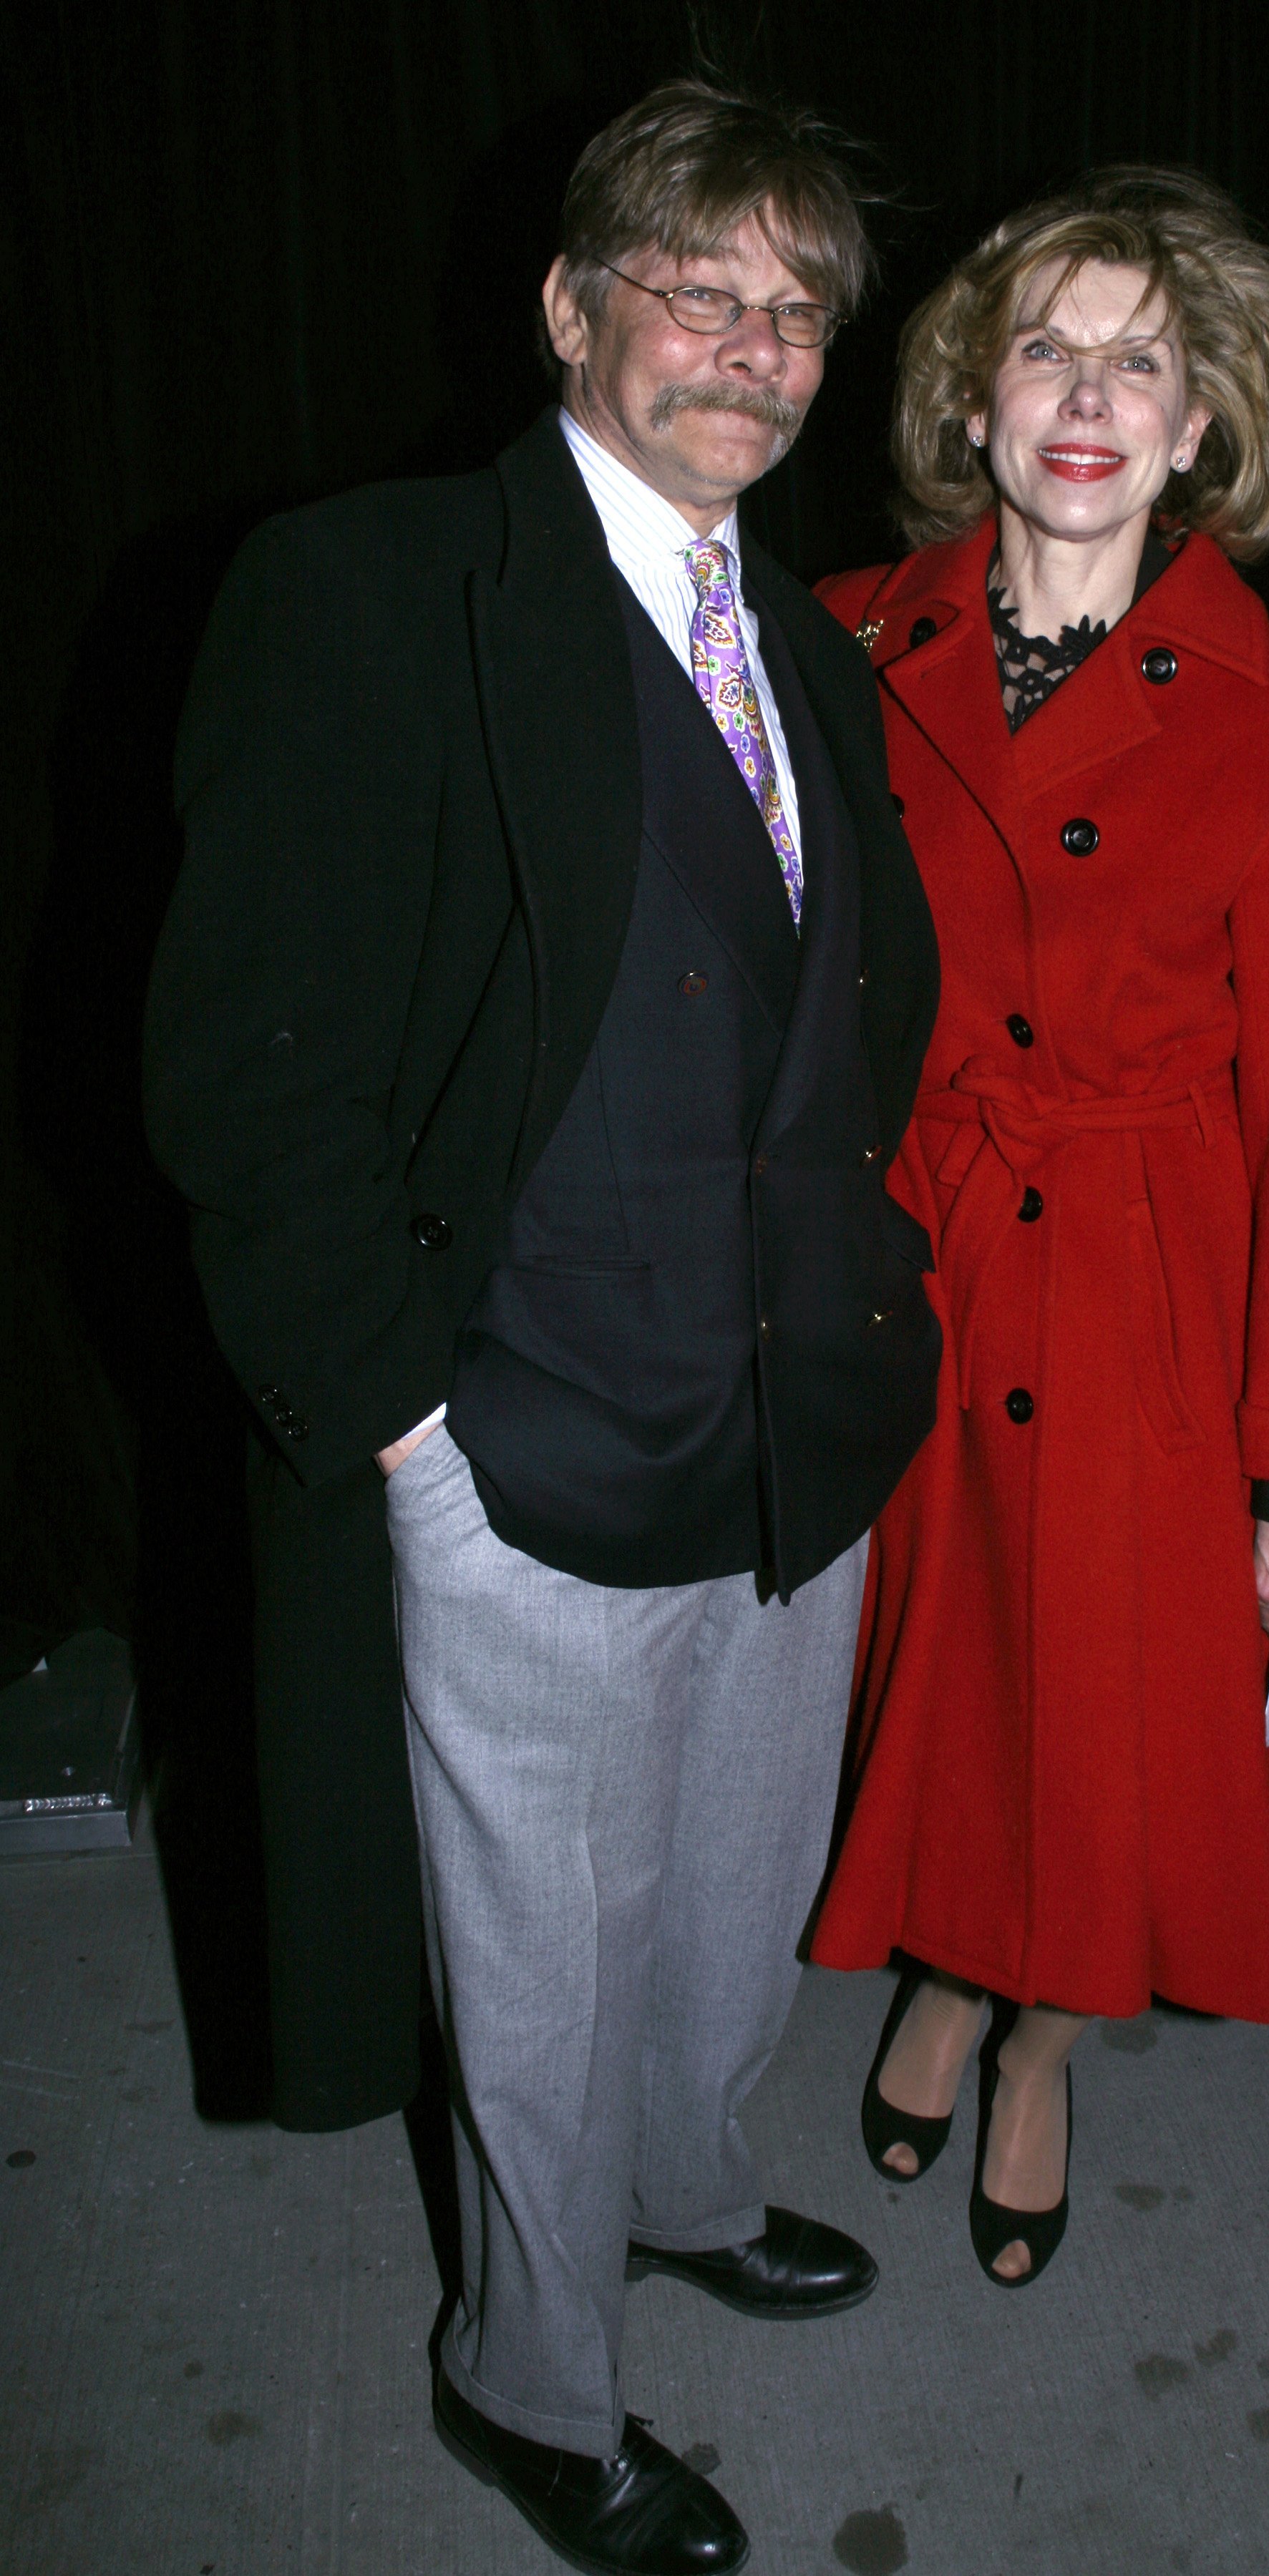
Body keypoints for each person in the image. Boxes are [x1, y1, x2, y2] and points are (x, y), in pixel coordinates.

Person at [145, 80, 940, 2576]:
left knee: (735, 1887)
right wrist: (401, 1424)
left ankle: (694, 2195)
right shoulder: (371, 589)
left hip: (791, 1414)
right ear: (572, 306)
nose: (752, 340)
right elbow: (244, 1067)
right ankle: (534, 2374)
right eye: (695, 282)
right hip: (516, 1430)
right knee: (546, 1961)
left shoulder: (810, 653)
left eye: (796, 303)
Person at [812, 168, 1269, 2290]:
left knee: (1112, 1716)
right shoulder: (840, 640)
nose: (1089, 396)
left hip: (1169, 1287)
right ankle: (952, 1976)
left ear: (1201, 424)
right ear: (974, 401)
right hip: (926, 1258)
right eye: (1045, 350)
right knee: (955, 1682)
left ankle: (1041, 2039)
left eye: (1138, 362)